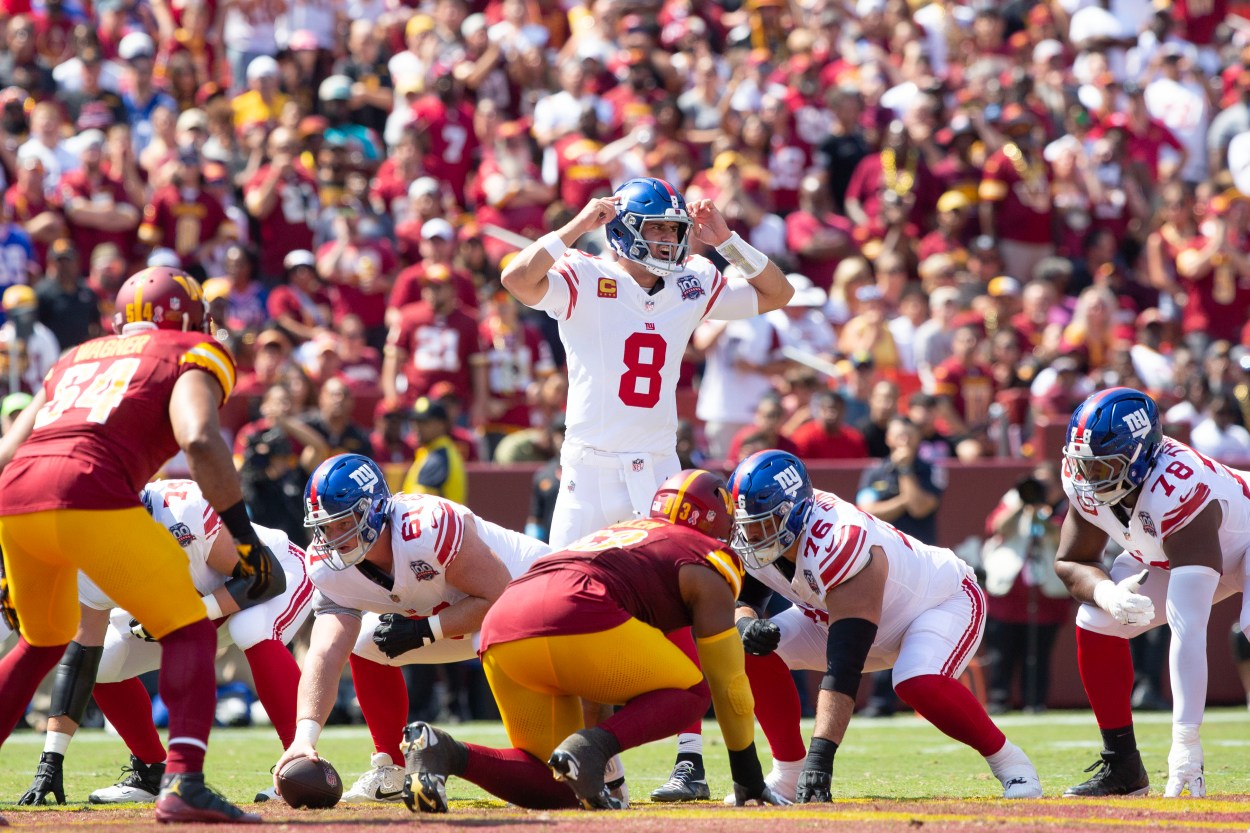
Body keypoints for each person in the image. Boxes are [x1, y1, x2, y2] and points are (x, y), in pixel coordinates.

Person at [500, 176, 792, 798]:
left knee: (687, 609)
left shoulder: (692, 281)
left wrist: (728, 242)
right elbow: (517, 281)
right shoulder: (582, 272)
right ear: (622, 228)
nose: (667, 240)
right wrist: (575, 224)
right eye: (656, 228)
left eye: (673, 230)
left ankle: (690, 760)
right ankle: (604, 771)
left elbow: (778, 293)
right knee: (571, 616)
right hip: (586, 466)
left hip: (659, 467)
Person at [0, 266, 279, 824]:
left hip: (17, 498)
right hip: (90, 488)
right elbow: (199, 437)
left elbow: (10, 447)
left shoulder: (76, 356)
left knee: (41, 640)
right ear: (193, 318)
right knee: (189, 626)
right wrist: (241, 533)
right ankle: (184, 781)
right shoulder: (193, 349)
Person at [399, 469, 784, 812]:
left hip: (503, 621)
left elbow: (599, 660)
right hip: (574, 611)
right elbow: (728, 679)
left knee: (558, 786)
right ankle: (591, 750)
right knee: (695, 691)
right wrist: (748, 779)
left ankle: (443, 752)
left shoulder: (616, 535)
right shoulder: (706, 554)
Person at [727, 450, 1042, 803]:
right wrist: (746, 627)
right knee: (747, 651)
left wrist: (822, 760)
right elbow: (747, 601)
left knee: (915, 680)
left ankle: (1011, 763)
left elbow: (844, 668)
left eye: (762, 524)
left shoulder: (840, 540)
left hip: (937, 603)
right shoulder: (758, 538)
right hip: (834, 614)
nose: (751, 535)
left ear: (796, 512)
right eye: (746, 524)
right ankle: (788, 773)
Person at [271, 454, 552, 805]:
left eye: (345, 522)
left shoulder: (426, 528)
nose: (335, 536)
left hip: (533, 596)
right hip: (458, 614)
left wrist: (425, 630)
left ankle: (532, 767)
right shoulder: (328, 566)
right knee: (363, 641)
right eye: (326, 526)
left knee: (494, 635)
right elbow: (326, 652)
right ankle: (392, 767)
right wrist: (304, 737)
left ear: (373, 509)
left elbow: (499, 597)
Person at [17, 478, 311, 805]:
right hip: (193, 611)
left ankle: (301, 763)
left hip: (273, 578)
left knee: (249, 628)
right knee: (103, 661)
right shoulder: (89, 553)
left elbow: (263, 578)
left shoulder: (183, 508)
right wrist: (50, 760)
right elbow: (82, 656)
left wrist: (187, 614)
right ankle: (151, 771)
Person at [1055, 387, 1250, 798]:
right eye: (1085, 465)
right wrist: (1107, 593)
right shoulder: (1085, 477)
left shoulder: (1179, 488)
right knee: (1096, 619)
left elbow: (1189, 630)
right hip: (1168, 552)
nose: (1090, 478)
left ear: (1140, 455)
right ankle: (1123, 766)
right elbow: (1071, 560)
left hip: (1241, 544)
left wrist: (1185, 744)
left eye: (1104, 466)